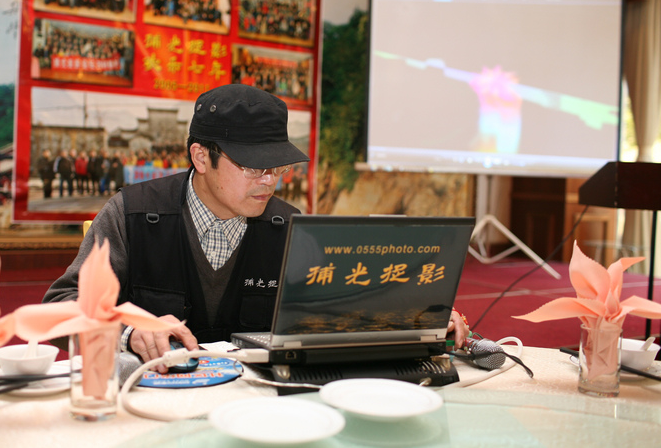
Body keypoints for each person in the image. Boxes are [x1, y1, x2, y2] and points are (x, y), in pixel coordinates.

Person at [43, 84, 469, 372]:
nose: (269, 181)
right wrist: (129, 332)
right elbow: (59, 310)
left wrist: (417, 316)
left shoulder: (290, 227)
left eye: (277, 168)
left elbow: (342, 307)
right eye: (252, 167)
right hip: (155, 403)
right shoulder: (133, 215)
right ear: (201, 157)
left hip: (259, 409)